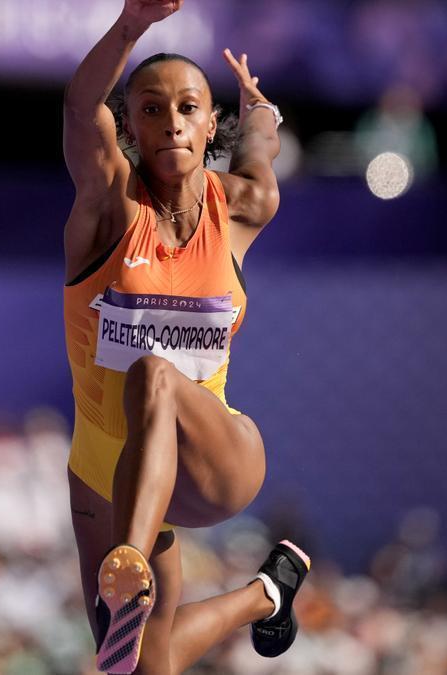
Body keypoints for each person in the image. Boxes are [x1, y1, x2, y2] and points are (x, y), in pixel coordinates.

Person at [61, 1, 310, 672]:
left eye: (188, 108)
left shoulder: (239, 210)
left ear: (208, 125)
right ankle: (267, 593)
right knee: (141, 663)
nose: (171, 120)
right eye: (151, 108)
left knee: (155, 374)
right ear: (133, 128)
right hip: (105, 472)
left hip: (213, 459)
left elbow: (260, 149)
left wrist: (260, 111)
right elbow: (81, 113)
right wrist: (131, 24)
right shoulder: (109, 202)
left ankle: (131, 564)